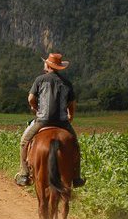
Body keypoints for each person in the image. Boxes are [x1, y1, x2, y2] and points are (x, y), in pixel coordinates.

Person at [15, 52, 85, 187]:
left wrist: (35, 108)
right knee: (75, 145)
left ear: (48, 65)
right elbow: (72, 104)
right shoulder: (67, 83)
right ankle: (76, 177)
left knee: (24, 142)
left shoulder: (40, 80)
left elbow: (30, 98)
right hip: (62, 122)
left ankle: (24, 174)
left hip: (42, 121)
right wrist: (71, 116)